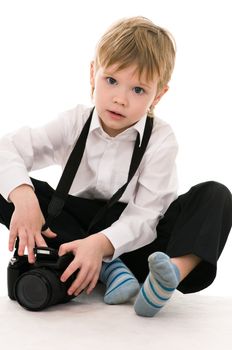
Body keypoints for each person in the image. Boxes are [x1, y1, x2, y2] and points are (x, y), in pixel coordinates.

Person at [0, 16, 231, 317]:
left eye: (138, 90)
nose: (120, 99)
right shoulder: (74, 122)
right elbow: (8, 148)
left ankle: (167, 276)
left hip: (137, 245)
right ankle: (107, 270)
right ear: (93, 74)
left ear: (158, 95)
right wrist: (23, 197)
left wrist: (103, 244)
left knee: (215, 195)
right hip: (71, 233)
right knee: (10, 184)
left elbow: (146, 214)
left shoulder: (161, 139)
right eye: (111, 81)